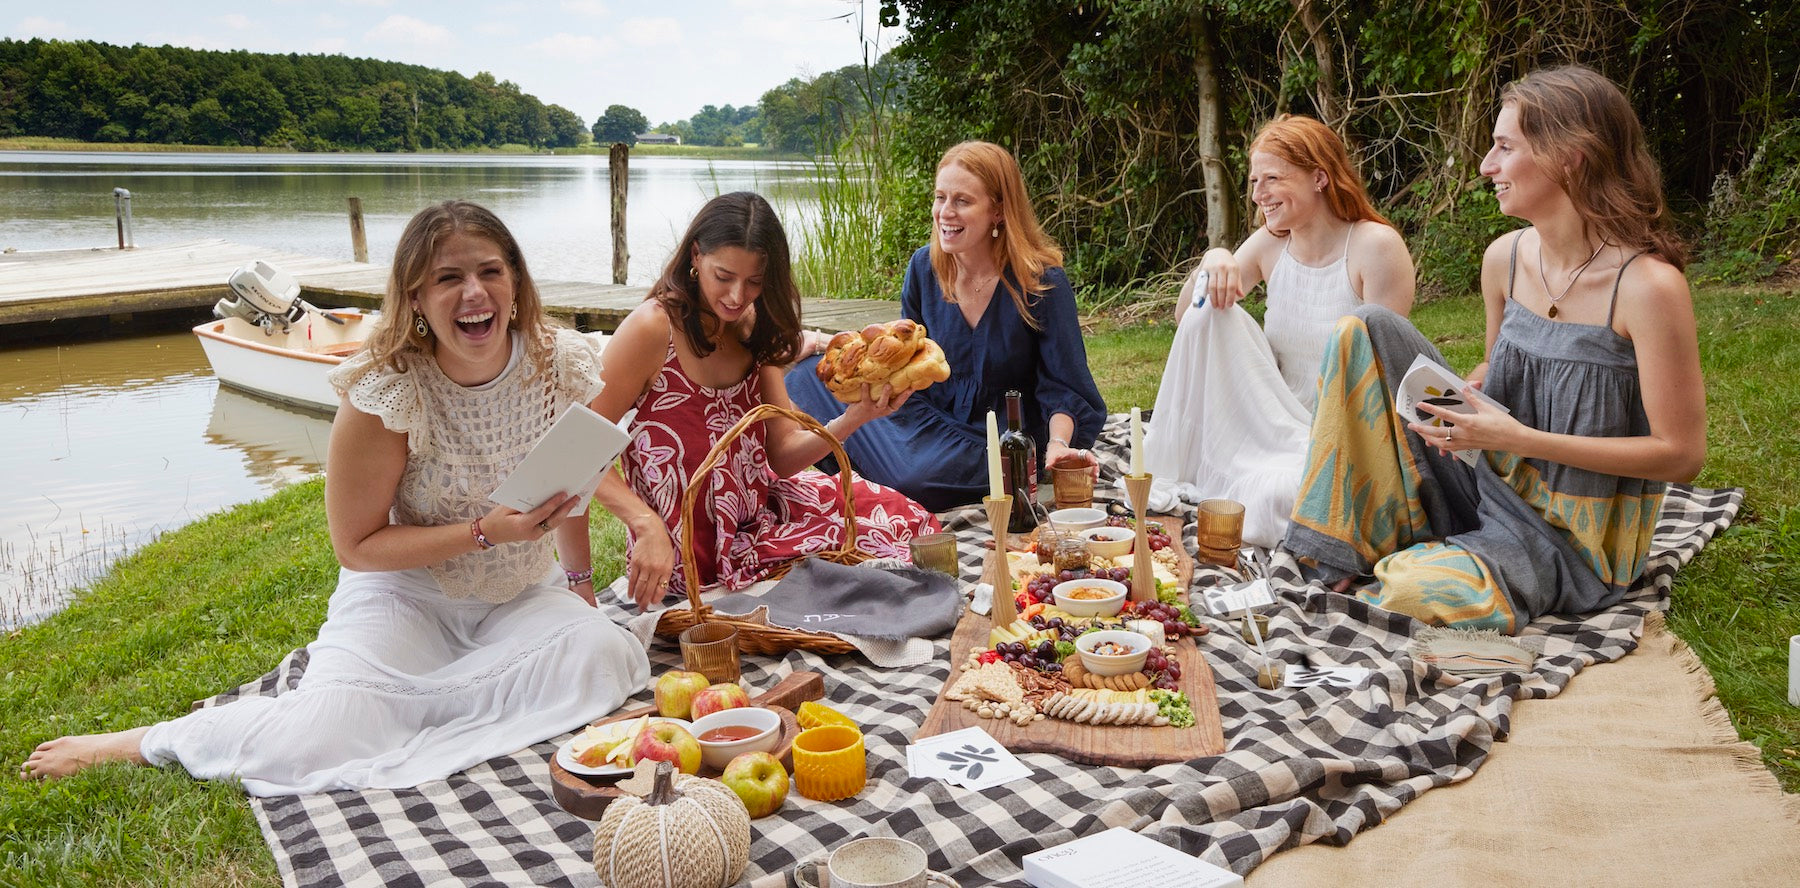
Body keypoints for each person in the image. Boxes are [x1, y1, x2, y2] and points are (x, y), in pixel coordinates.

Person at [20, 201, 649, 793]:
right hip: (409, 594)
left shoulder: (559, 361)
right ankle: (152, 740)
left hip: (519, 594)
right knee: (316, 737)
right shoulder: (386, 389)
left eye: (491, 271)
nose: (475, 292)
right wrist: (484, 532)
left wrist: (581, 587)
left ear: (515, 283)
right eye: (448, 277)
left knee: (601, 657)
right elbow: (356, 547)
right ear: (417, 300)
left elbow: (568, 482)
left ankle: (412, 706)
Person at [1282, 65, 1705, 633]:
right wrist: (1473, 393)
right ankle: (1346, 546)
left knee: (1406, 589)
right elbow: (1497, 369)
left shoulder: (1647, 288)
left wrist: (1518, 439)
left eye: (1505, 147)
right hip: (1485, 479)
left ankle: (1427, 550)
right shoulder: (1504, 258)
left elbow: (1681, 453)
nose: (1487, 166)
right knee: (1363, 326)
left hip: (1566, 537)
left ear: (1569, 156)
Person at [593, 191, 939, 609]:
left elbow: (780, 457)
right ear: (696, 255)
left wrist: (857, 415)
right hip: (686, 551)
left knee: (906, 521)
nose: (738, 296)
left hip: (760, 521)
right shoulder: (653, 329)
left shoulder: (751, 326)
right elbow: (575, 451)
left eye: (754, 282)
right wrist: (644, 523)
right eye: (724, 276)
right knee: (853, 582)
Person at [787, 140, 1107, 512]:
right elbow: (905, 362)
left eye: (962, 201)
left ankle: (878, 476)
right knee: (807, 376)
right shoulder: (925, 268)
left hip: (994, 440)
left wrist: (1057, 447)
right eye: (941, 198)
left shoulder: (1040, 282)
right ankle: (883, 471)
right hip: (926, 416)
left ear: (999, 211)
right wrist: (829, 344)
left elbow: (1063, 384)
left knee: (915, 478)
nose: (945, 213)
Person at [1142, 114, 1415, 547]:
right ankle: (1216, 461)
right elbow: (1188, 322)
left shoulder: (1374, 246)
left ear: (1320, 177)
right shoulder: (1272, 242)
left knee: (1274, 497)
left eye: (1271, 178)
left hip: (1344, 429)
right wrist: (1215, 259)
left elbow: (1380, 373)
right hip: (1270, 417)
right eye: (1253, 181)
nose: (1258, 195)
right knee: (1211, 308)